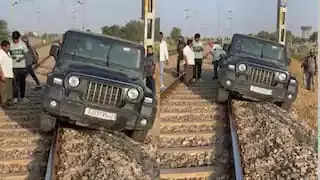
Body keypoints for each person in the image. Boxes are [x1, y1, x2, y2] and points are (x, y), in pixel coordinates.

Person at [10, 31, 29, 103]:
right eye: (14, 39)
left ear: (19, 37)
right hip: (14, 67)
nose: (15, 40)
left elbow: (26, 54)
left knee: (22, 82)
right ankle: (15, 97)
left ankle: (22, 97)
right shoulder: (10, 44)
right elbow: (8, 53)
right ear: (12, 38)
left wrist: (21, 58)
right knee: (14, 83)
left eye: (16, 39)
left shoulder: (22, 44)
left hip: (22, 67)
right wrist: (12, 56)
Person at [0, 40, 14, 106]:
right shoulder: (1, 53)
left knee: (9, 89)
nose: (9, 48)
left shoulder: (8, 53)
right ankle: (3, 102)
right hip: (4, 74)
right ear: (3, 47)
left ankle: (8, 101)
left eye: (9, 47)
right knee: (3, 89)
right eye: (8, 47)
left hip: (9, 74)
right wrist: (1, 74)